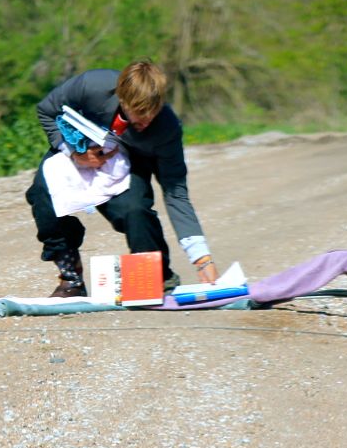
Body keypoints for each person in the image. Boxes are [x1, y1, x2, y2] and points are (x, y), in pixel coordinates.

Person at [25, 60, 219, 298]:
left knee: (134, 210)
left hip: (128, 163)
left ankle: (158, 275)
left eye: (152, 115)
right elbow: (46, 109)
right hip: (80, 148)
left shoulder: (167, 128)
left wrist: (202, 258)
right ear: (122, 99)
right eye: (138, 116)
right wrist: (73, 152)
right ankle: (71, 278)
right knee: (43, 195)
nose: (145, 122)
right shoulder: (92, 85)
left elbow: (175, 191)